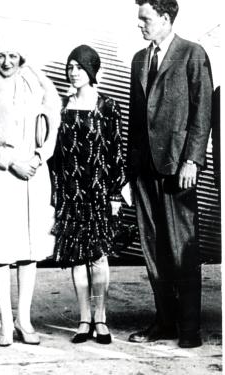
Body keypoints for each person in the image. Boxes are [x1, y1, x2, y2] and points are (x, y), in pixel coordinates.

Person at [127, 0, 213, 348]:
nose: (140, 25)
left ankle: (188, 329)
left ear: (165, 18)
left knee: (182, 250)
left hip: (178, 168)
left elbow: (202, 109)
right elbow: (136, 120)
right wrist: (128, 173)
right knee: (152, 247)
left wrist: (192, 160)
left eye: (145, 19)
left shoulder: (193, 54)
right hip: (145, 171)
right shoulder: (139, 59)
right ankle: (164, 322)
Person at [0, 36, 60, 346]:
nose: (6, 61)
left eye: (12, 55)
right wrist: (11, 161)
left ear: (22, 57)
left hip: (32, 173)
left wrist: (37, 158)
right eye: (1, 56)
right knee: (1, 249)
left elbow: (51, 125)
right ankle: (5, 323)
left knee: (29, 248)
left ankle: (24, 319)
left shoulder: (37, 87)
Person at [51, 45, 125, 345]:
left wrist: (116, 194)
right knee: (77, 258)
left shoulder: (108, 105)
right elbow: (55, 156)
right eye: (70, 67)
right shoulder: (62, 105)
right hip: (71, 192)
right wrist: (57, 191)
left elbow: (116, 151)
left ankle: (101, 319)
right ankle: (83, 320)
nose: (73, 72)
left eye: (79, 67)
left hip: (98, 192)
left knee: (98, 258)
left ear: (91, 70)